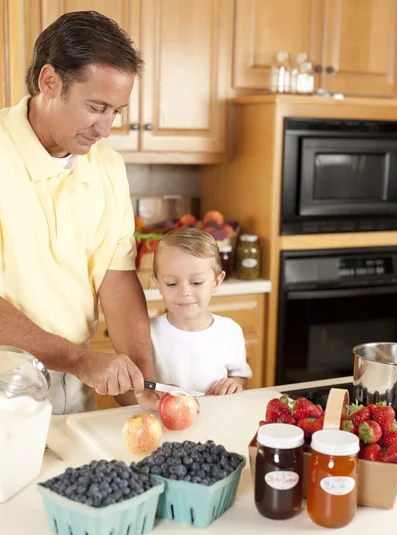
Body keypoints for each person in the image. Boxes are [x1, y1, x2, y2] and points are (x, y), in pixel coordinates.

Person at [0, 11, 159, 414]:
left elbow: (117, 281)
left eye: (116, 112)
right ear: (50, 81)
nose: (105, 128)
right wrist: (78, 360)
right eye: (96, 106)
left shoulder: (108, 167)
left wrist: (142, 388)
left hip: (75, 385)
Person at [151, 228, 252, 395]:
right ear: (158, 283)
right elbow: (135, 388)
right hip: (162, 420)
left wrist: (233, 384)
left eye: (196, 282)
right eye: (171, 283)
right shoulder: (149, 333)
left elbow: (240, 375)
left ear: (217, 281)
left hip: (216, 418)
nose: (184, 292)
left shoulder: (230, 331)